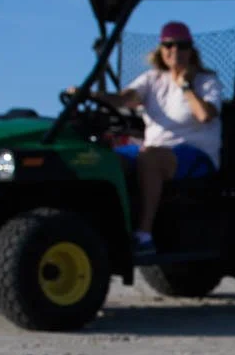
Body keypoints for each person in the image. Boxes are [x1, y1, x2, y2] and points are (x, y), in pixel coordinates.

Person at [73, 22, 223, 261]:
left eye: (182, 45)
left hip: (195, 152)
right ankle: (103, 228)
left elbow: (205, 115)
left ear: (191, 50)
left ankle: (144, 236)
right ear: (161, 49)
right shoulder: (152, 79)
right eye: (169, 45)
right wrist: (90, 95)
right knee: (104, 159)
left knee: (149, 157)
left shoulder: (206, 82)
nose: (175, 50)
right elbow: (124, 99)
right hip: (154, 149)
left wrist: (185, 85)